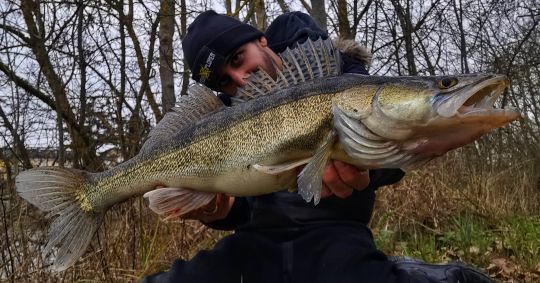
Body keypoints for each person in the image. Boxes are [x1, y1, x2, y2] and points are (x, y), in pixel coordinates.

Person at [143, 10, 493, 283]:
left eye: (237, 59)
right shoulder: (227, 120)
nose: (238, 78)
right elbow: (242, 207)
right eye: (224, 80)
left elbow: (389, 148)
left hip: (335, 239)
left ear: (261, 41)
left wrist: (371, 168)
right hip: (256, 243)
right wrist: (217, 211)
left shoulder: (341, 77)